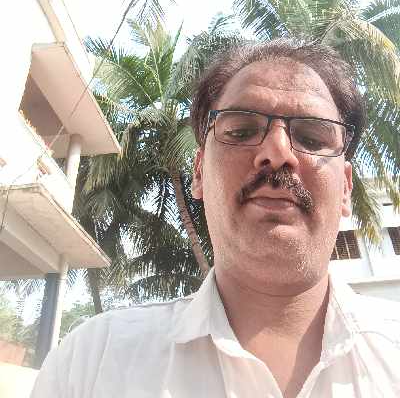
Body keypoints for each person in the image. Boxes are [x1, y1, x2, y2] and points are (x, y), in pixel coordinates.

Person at [32, 39, 400, 398]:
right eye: (241, 131)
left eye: (312, 137)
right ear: (199, 173)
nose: (277, 152)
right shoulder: (91, 364)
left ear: (346, 187)